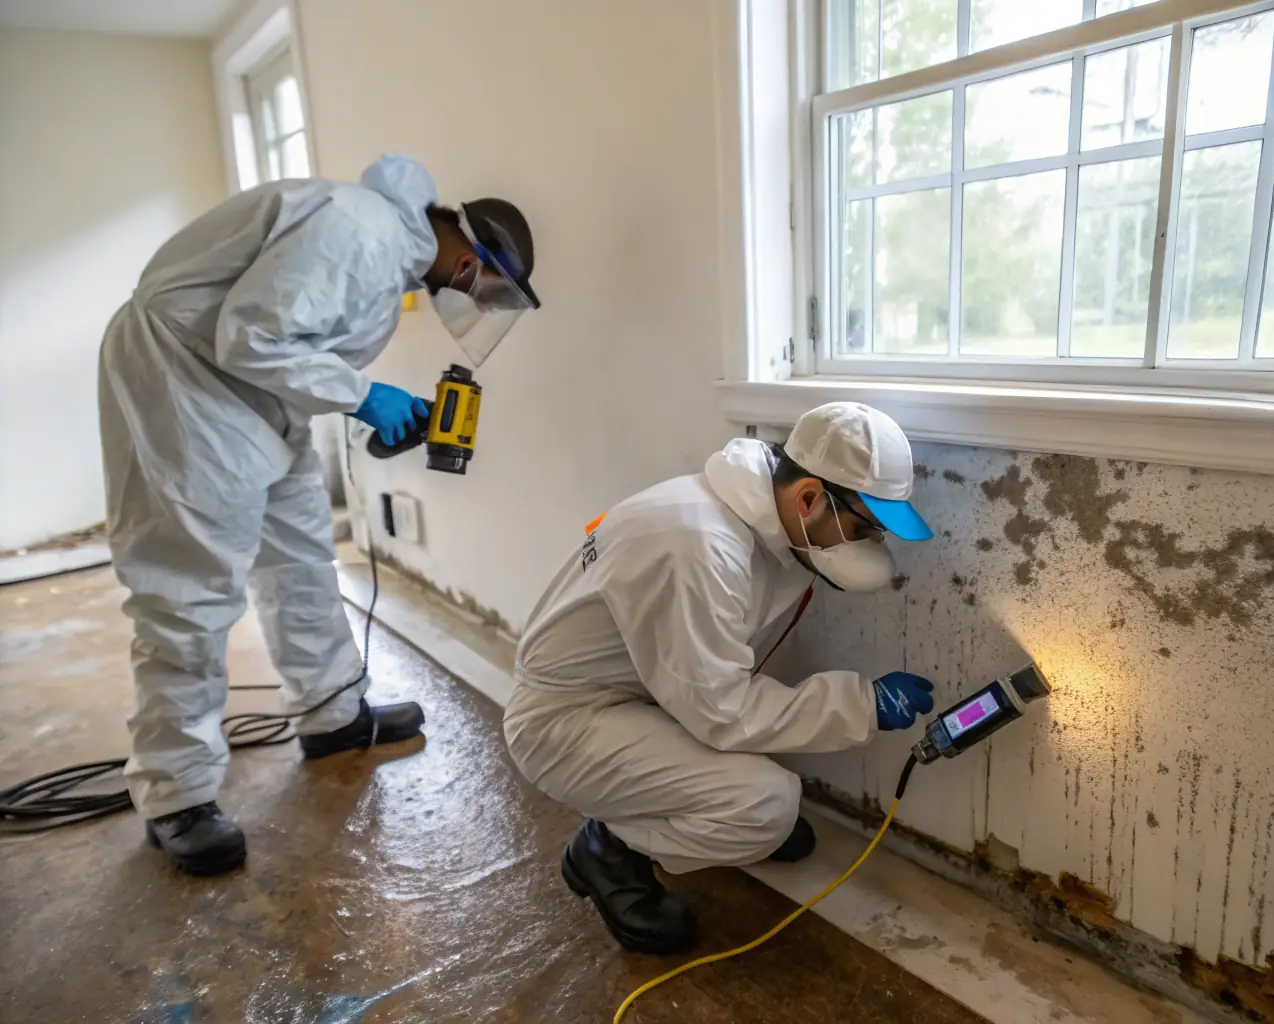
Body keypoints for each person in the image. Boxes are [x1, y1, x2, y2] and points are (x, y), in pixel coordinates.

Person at [99, 153, 539, 875]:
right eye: (487, 281)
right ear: (471, 252)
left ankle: (332, 714)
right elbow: (250, 336)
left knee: (302, 557)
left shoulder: (386, 252)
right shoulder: (360, 228)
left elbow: (288, 343)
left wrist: (362, 404)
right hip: (185, 382)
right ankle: (175, 792)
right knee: (189, 587)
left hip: (249, 396)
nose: (474, 295)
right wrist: (365, 396)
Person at [504, 401, 936, 954]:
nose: (868, 547)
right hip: (566, 723)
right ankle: (607, 847)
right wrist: (862, 705)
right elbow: (722, 711)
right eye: (863, 527)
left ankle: (677, 812)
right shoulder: (700, 546)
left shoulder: (759, 519)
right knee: (766, 807)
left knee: (763, 806)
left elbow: (716, 675)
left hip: (640, 697)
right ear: (808, 497)